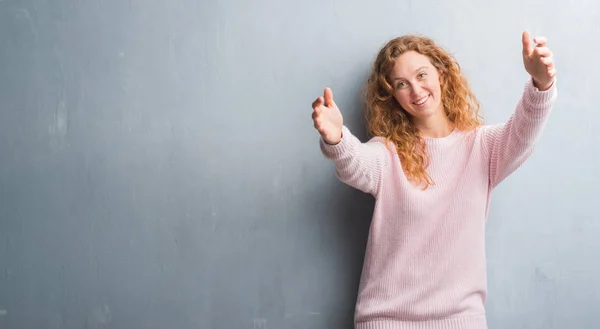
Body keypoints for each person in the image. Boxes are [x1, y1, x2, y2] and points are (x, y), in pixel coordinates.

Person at [311, 31, 557, 329]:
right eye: (402, 84)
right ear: (393, 96)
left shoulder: (483, 147)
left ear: (441, 73)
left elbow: (524, 130)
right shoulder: (387, 153)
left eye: (421, 74)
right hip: (387, 321)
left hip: (461, 320)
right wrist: (337, 138)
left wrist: (540, 85)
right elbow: (357, 164)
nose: (416, 90)